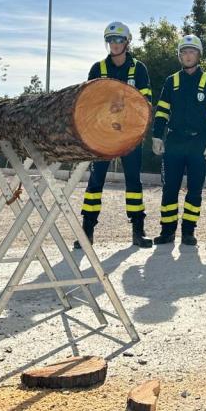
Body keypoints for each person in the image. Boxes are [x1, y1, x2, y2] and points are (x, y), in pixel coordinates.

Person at [79, 21, 153, 249]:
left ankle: (138, 231)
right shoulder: (97, 68)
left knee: (133, 181)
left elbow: (144, 102)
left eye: (119, 39)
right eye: (110, 40)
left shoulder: (138, 69)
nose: (114, 44)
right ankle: (87, 231)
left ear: (127, 42)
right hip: (102, 135)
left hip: (129, 134)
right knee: (95, 181)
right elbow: (89, 101)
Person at [151, 35, 206, 245]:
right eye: (184, 52)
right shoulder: (171, 81)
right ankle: (167, 231)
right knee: (169, 188)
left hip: (198, 143)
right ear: (180, 56)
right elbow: (162, 112)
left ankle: (188, 232)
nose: (188, 55)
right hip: (174, 141)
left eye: (192, 52)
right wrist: (157, 135)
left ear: (199, 55)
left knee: (195, 189)